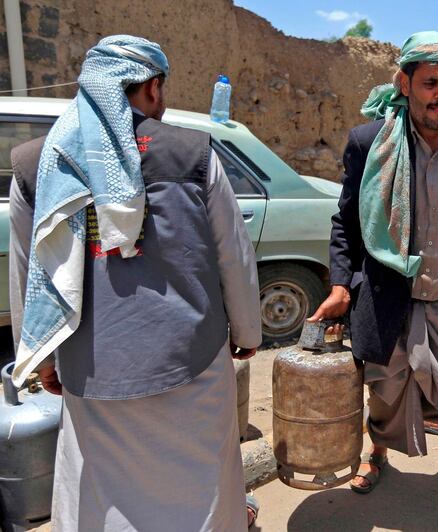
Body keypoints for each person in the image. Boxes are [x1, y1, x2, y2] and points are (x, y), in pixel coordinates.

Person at [9, 36, 261, 531]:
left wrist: (41, 357)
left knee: (102, 490)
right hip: (193, 361)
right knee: (202, 485)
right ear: (151, 87)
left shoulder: (36, 164)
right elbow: (234, 255)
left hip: (90, 364)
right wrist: (248, 333)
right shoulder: (193, 154)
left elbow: (29, 276)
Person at [307, 31, 438, 531]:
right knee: (383, 398)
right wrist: (340, 284)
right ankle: (376, 452)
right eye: (430, 83)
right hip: (388, 301)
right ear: (404, 83)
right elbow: (346, 222)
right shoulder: (367, 143)